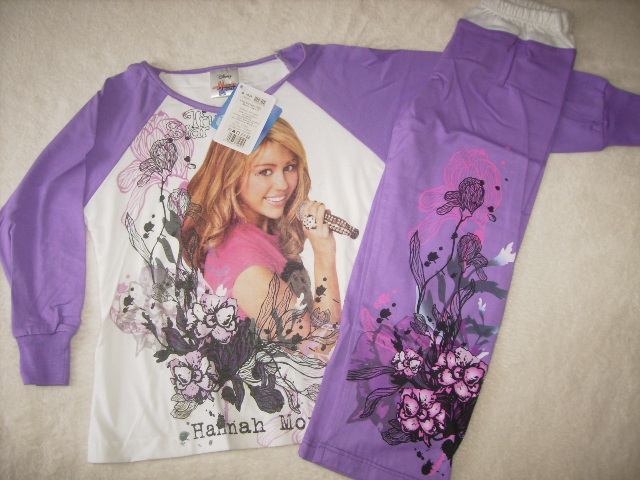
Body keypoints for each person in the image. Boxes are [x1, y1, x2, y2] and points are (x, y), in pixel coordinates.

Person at [181, 117, 341, 348]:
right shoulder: (248, 268)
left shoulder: (259, 226)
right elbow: (320, 350)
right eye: (265, 171)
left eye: (289, 168)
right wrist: (324, 254)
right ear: (231, 174)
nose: (282, 184)